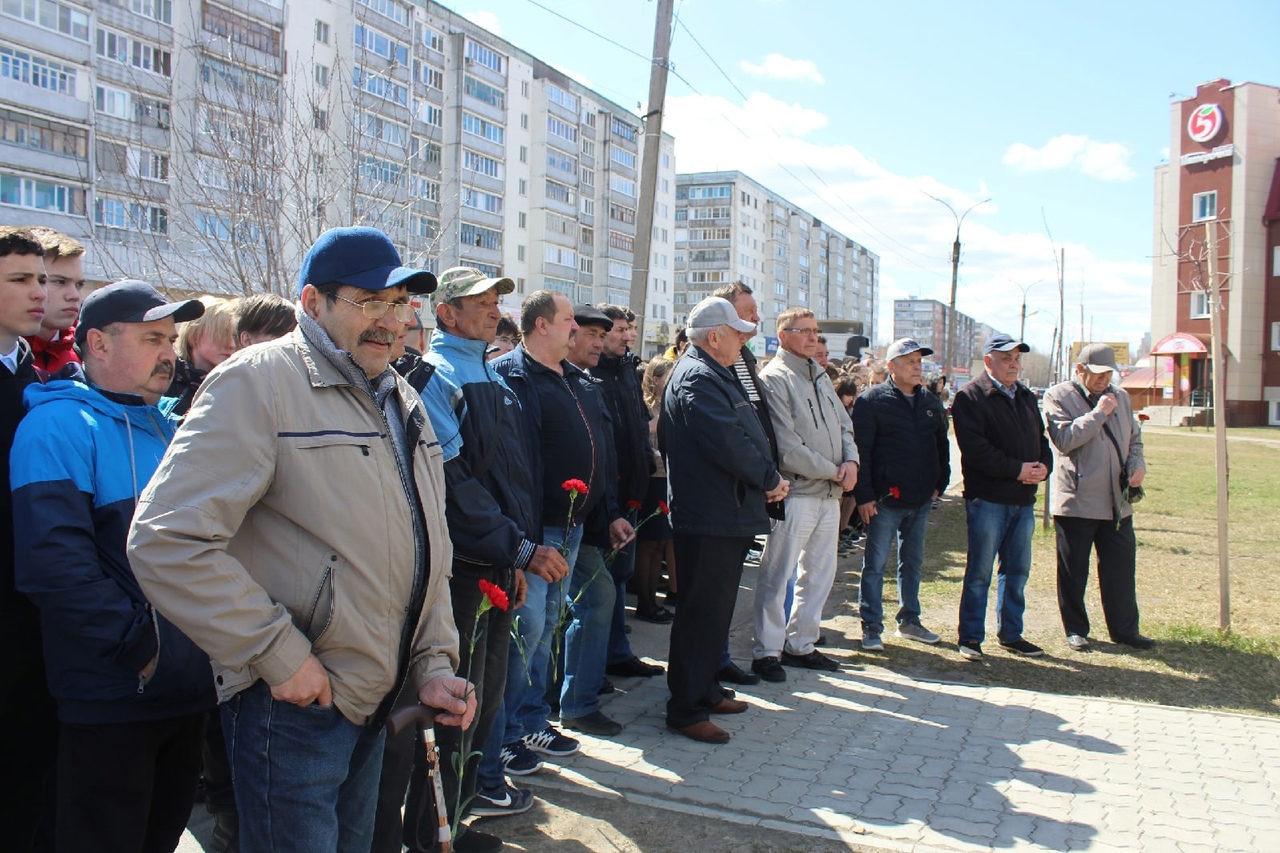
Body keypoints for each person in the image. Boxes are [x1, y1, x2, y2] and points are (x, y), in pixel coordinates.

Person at [128, 227, 474, 853]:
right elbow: (166, 539)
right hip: (292, 706)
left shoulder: (400, 396)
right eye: (370, 301)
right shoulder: (257, 382)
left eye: (400, 304)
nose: (391, 321)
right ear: (312, 302)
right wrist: (280, 657)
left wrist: (430, 662)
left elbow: (427, 546)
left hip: (372, 697)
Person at [13, 279, 214, 853]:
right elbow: (53, 565)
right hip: (113, 695)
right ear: (98, 344)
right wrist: (143, 652)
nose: (168, 353)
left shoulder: (171, 428)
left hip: (186, 688)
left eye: (170, 340)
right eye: (153, 338)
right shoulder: (58, 427)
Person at [374, 267, 550, 853]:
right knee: (450, 707)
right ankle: (428, 837)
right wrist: (517, 549)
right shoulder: (438, 375)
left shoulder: (488, 370)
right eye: (480, 301)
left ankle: (457, 822)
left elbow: (510, 479)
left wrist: (516, 558)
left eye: (498, 298)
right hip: (463, 571)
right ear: (445, 312)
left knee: (482, 702)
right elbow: (454, 488)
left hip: (496, 564)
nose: (494, 308)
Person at [478, 291, 630, 785]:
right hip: (534, 531)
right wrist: (522, 539)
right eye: (569, 320)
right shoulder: (511, 379)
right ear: (541, 325)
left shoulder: (579, 380)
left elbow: (601, 450)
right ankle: (504, 738)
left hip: (573, 528)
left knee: (547, 630)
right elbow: (511, 464)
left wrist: (606, 513)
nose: (579, 330)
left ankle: (531, 722)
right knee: (528, 631)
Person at [662, 296, 789, 744]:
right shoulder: (698, 377)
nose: (743, 340)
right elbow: (729, 442)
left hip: (724, 511)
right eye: (737, 333)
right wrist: (769, 478)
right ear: (713, 336)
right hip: (710, 514)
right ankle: (686, 708)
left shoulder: (714, 371)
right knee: (701, 614)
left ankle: (706, 690)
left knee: (714, 613)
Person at [750, 308, 857, 682]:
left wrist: (852, 462)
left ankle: (801, 644)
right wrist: (835, 471)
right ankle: (766, 650)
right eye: (805, 332)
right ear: (783, 336)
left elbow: (845, 425)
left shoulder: (821, 376)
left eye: (816, 331)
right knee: (778, 573)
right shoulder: (774, 378)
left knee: (820, 575)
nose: (814, 338)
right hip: (795, 492)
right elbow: (786, 444)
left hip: (830, 494)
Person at [557, 304, 636, 737]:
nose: (598, 341)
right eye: (588, 332)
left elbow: (603, 459)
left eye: (600, 334)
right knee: (587, 603)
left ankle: (572, 699)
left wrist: (610, 516)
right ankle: (570, 702)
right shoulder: (529, 378)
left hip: (589, 522)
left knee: (587, 603)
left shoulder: (588, 385)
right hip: (551, 526)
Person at [1043, 344, 1152, 652]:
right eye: (1098, 374)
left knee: (1121, 568)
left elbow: (1134, 440)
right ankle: (1076, 629)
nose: (1105, 380)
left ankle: (1125, 630)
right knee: (1074, 570)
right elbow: (1064, 440)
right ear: (1080, 370)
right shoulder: (1057, 396)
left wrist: (1137, 466)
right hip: (1077, 501)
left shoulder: (1123, 396)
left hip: (1117, 503)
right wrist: (1098, 413)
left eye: (1109, 374)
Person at [951, 332, 1053, 661]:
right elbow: (977, 452)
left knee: (1017, 571)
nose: (1014, 364)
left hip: (1023, 501)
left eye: (1017, 359)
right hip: (989, 500)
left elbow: (1041, 440)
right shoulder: (971, 397)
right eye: (1007, 358)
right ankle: (970, 638)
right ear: (989, 361)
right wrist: (1017, 470)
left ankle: (1011, 634)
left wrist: (1044, 467)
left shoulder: (1024, 396)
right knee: (980, 572)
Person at [0, 226, 53, 853]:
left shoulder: (35, 375)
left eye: (43, 278)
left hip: (32, 605)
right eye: (21, 279)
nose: (38, 292)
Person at [851, 338, 950, 651]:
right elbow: (860, 452)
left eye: (919, 361)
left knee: (913, 563)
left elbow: (941, 448)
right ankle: (871, 626)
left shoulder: (931, 403)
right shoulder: (871, 401)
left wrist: (940, 483)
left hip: (920, 499)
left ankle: (909, 621)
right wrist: (864, 495)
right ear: (891, 367)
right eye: (910, 361)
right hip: (883, 501)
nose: (917, 367)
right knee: (876, 564)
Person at [709, 281, 781, 687]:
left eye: (754, 311)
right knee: (714, 594)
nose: (754, 318)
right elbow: (729, 434)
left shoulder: (745, 358)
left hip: (748, 488)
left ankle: (718, 660)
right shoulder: (714, 362)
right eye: (746, 311)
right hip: (726, 493)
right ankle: (712, 663)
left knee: (728, 588)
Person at [593, 305, 664, 678]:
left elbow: (636, 423)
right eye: (619, 329)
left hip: (633, 495)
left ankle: (617, 653)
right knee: (599, 586)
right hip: (606, 498)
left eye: (630, 329)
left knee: (621, 577)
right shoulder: (591, 373)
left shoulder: (626, 371)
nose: (627, 336)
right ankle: (596, 664)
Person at [634, 358, 677, 621]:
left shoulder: (671, 403)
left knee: (661, 544)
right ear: (654, 378)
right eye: (667, 375)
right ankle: (645, 603)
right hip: (651, 481)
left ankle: (653, 602)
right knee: (648, 545)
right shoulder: (646, 407)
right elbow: (640, 444)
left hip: (668, 481)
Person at [23, 226, 84, 378]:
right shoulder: (8, 352)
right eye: (59, 282)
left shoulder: (89, 353)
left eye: (79, 285)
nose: (74, 295)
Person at [167, 295, 239, 415]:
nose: (231, 345)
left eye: (233, 335)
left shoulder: (235, 386)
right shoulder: (165, 381)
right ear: (194, 335)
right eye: (222, 334)